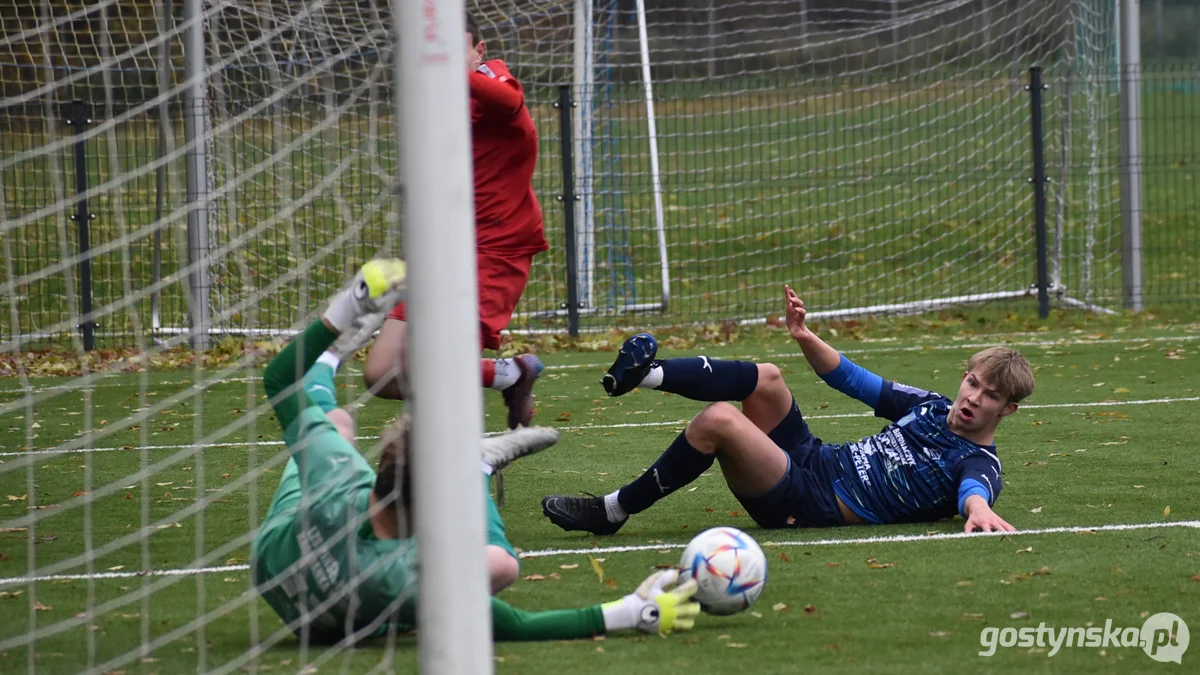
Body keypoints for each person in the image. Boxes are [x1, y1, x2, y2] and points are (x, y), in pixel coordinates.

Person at [252, 260, 701, 644]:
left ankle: (334, 350)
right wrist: (633, 611)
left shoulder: (332, 476)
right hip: (343, 627)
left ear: (382, 472)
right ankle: (478, 464)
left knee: (336, 425)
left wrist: (352, 302)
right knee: (501, 566)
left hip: (274, 565)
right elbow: (518, 625)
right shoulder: (410, 576)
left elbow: (278, 380)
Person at [542, 284, 1035, 536]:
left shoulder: (979, 464)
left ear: (1007, 410)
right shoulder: (931, 406)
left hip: (811, 503)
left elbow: (974, 492)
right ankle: (646, 375)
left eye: (990, 395)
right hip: (815, 459)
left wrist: (979, 511)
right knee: (769, 377)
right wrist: (804, 334)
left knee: (719, 419)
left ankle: (613, 510)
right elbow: (851, 378)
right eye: (972, 382)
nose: (973, 398)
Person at [363, 13, 549, 430]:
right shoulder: (438, 105)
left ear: (478, 52)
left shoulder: (498, 88)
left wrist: (439, 61)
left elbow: (508, 101)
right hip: (443, 251)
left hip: (495, 251)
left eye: (452, 48)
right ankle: (510, 374)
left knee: (438, 372)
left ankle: (466, 482)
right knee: (381, 373)